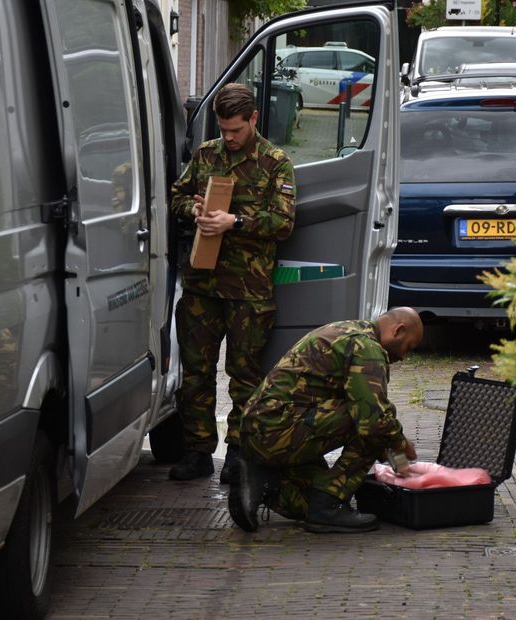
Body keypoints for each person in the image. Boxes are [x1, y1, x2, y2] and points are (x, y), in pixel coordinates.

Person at [167, 83, 296, 482]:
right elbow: (175, 197)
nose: (229, 137)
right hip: (202, 284)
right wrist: (195, 210)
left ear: (254, 119)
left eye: (236, 130)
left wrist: (235, 222)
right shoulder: (207, 155)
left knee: (245, 375)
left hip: (248, 291)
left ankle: (239, 454)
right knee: (196, 372)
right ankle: (198, 451)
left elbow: (284, 222)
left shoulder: (275, 162)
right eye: (223, 129)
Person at [228, 307, 424, 533]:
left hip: (263, 432)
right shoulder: (367, 348)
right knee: (374, 423)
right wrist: (402, 451)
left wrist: (397, 462)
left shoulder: (348, 330)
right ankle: (328, 505)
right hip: (278, 431)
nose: (403, 357)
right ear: (398, 330)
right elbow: (374, 422)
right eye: (408, 347)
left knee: (308, 504)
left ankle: (262, 483)